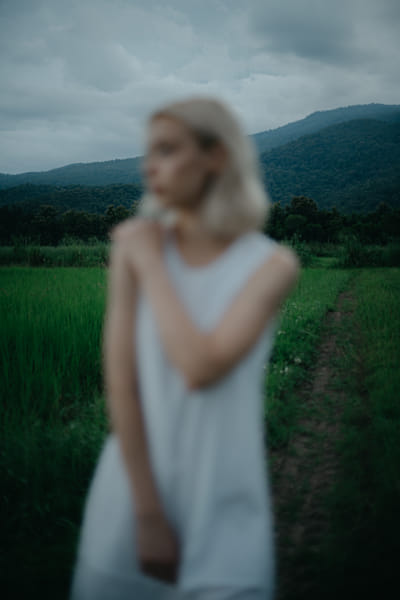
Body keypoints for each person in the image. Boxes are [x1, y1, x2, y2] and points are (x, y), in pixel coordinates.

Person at [69, 95, 300, 600]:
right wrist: (148, 515)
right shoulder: (134, 250)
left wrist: (150, 263)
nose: (150, 166)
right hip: (131, 498)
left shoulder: (271, 265)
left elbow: (201, 367)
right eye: (148, 151)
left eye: (168, 149)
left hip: (225, 499)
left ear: (216, 156)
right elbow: (122, 383)